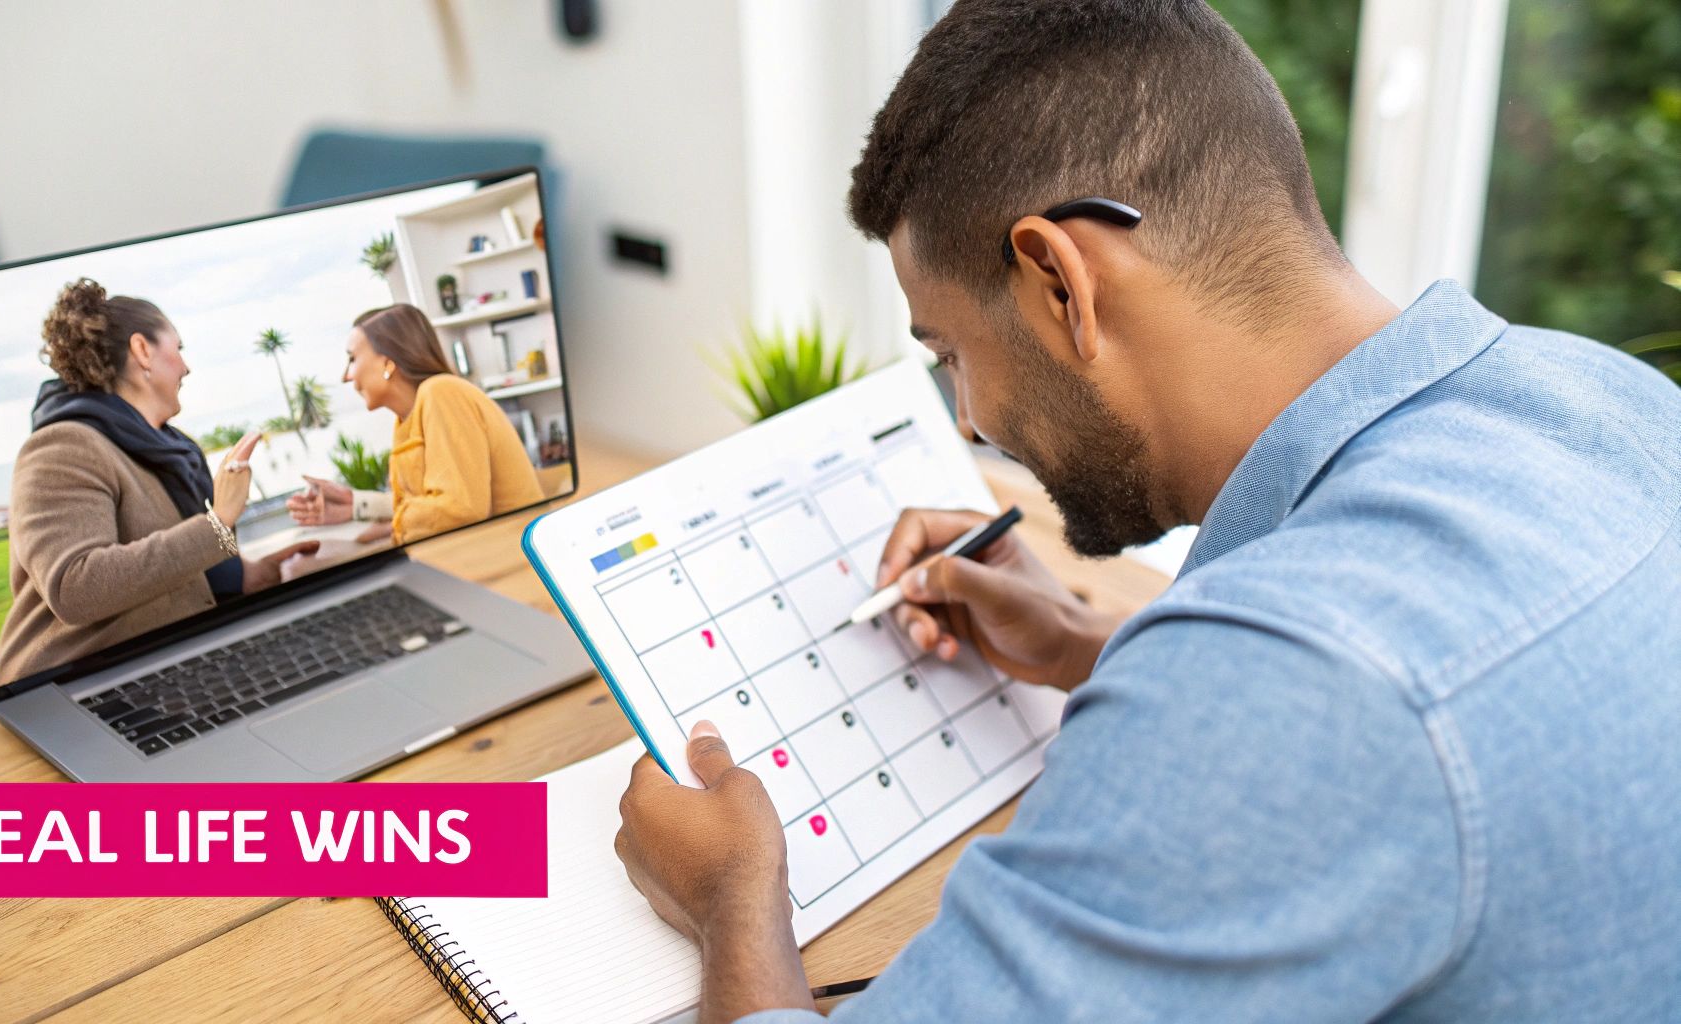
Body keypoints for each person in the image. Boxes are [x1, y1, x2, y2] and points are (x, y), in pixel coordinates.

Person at [612, 2, 1681, 1021]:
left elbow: (1321, 708)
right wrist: (1093, 641)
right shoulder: (1606, 394)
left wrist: (730, 901)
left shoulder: (1287, 690)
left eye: (948, 354)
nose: (973, 421)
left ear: (1061, 281)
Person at [0, 279, 316, 685]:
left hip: (164, 671)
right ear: (143, 350)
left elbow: (173, 572)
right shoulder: (63, 447)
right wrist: (218, 523)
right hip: (74, 687)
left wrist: (248, 576)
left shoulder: (168, 450)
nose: (186, 366)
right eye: (178, 349)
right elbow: (77, 587)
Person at [287, 303, 545, 544]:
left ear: (387, 362)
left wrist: (392, 524)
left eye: (352, 358)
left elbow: (459, 510)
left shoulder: (442, 392)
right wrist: (354, 505)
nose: (346, 376)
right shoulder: (409, 416)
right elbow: (427, 501)